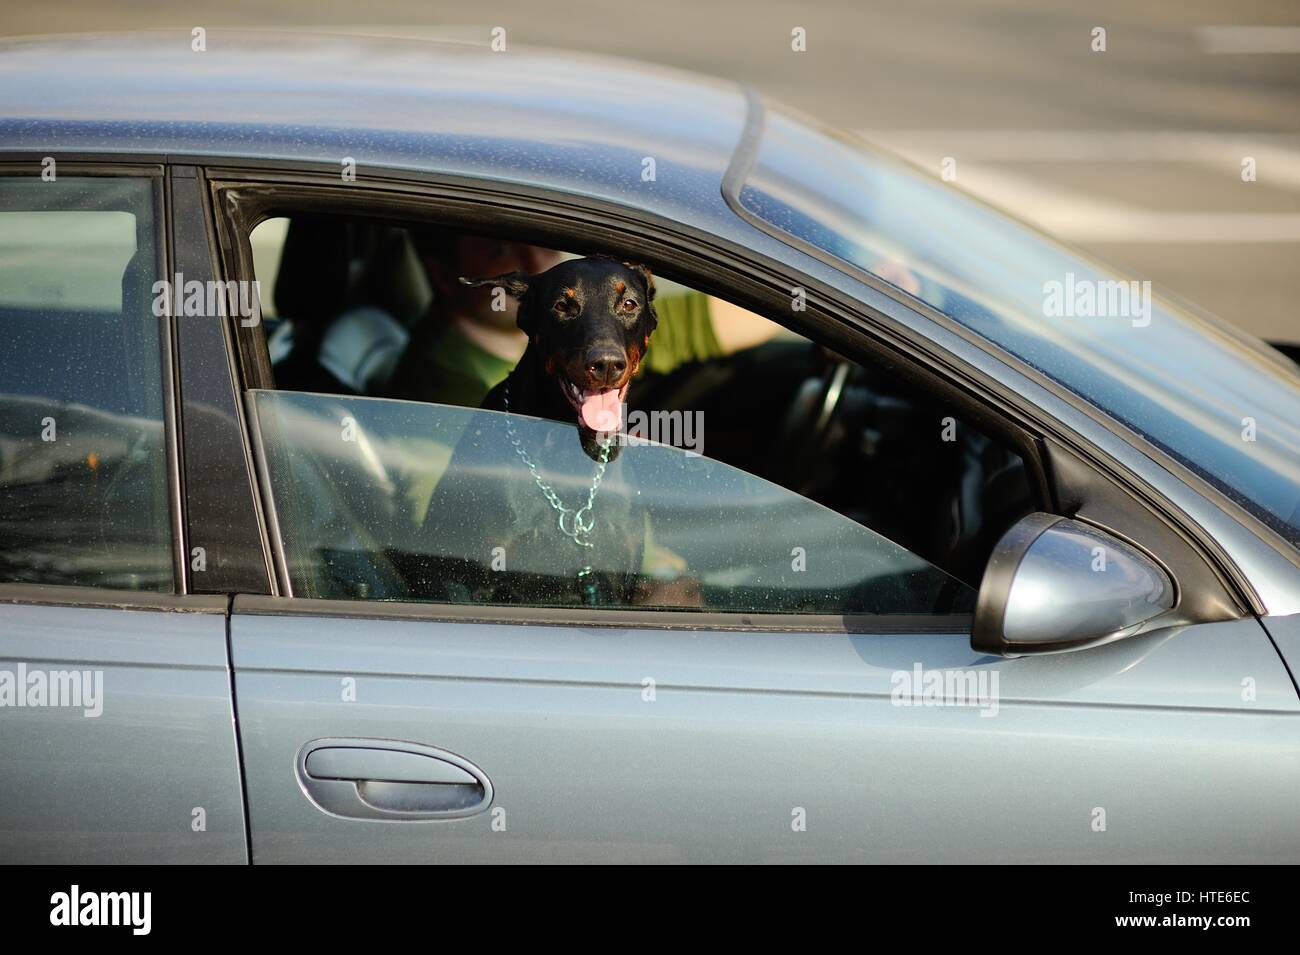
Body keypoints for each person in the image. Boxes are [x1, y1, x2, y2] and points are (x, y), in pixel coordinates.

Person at [387, 232, 782, 408]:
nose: (536, 261)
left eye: (536, 237)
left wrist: (799, 301)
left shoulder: (598, 327)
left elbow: (716, 321)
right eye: (501, 249)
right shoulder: (441, 392)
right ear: (443, 274)